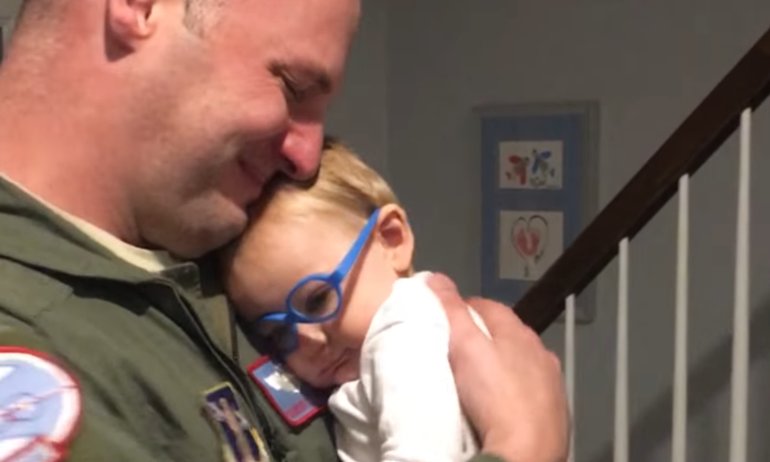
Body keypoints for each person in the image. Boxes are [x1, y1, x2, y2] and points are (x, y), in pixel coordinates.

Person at [0, 0, 569, 461]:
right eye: (293, 87)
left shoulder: (214, 251)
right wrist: (524, 445)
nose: (306, 157)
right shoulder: (27, 346)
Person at [224, 138, 493, 461]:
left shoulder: (404, 335)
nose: (308, 340)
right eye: (279, 332)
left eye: (317, 300)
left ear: (391, 240)